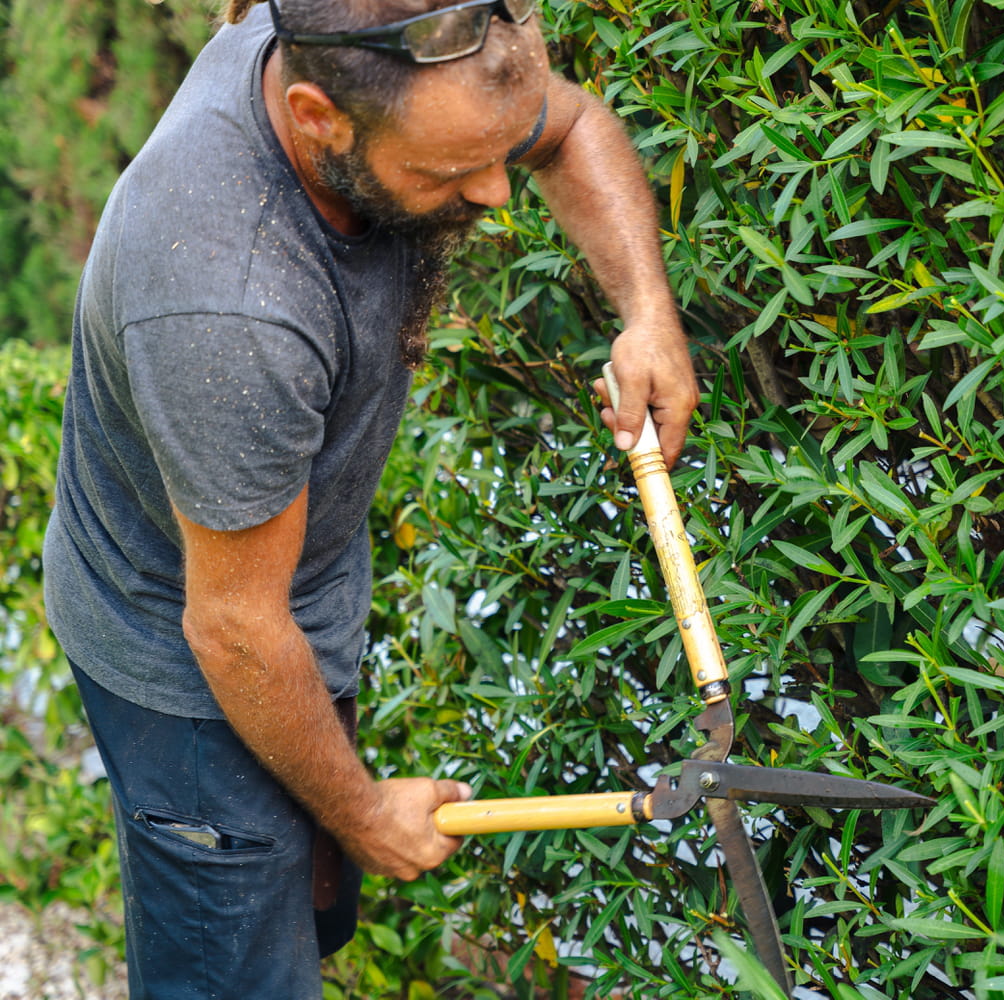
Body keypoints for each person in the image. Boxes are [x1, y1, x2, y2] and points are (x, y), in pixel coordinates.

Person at [41, 0, 700, 996]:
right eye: (445, 175)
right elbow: (233, 629)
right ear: (317, 117)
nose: (495, 193)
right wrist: (362, 810)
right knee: (236, 963)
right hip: (185, 666)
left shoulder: (398, 47)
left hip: (281, 593)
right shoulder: (231, 301)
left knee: (308, 908)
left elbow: (568, 127)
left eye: (494, 154)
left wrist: (650, 316)